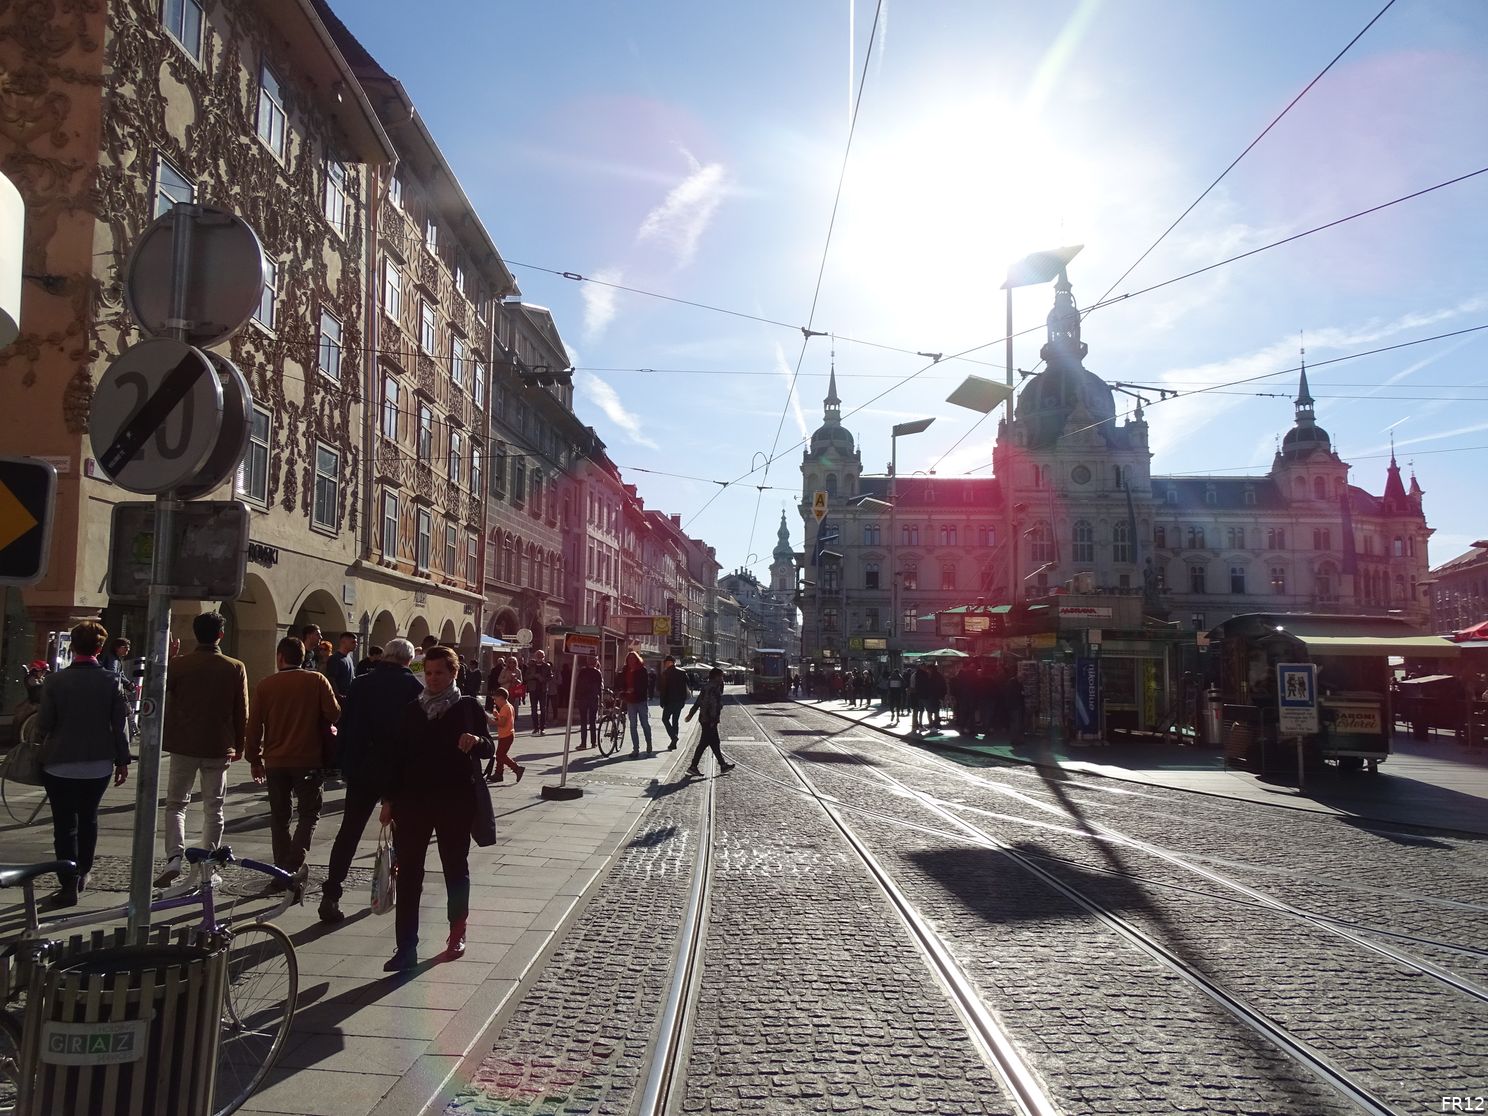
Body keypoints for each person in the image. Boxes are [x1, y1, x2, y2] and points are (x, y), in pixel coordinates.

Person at [379, 645, 494, 970]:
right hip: (412, 803)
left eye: (439, 673)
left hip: (455, 801)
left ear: (453, 673)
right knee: (409, 874)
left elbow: (489, 748)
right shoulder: (411, 710)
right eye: (427, 673)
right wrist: (388, 800)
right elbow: (396, 759)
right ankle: (406, 947)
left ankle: (457, 932)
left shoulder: (468, 707)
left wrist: (475, 740)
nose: (431, 679)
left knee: (454, 868)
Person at [320, 638, 423, 923]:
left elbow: (346, 725)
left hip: (362, 768)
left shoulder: (360, 684)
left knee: (349, 832)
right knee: (403, 834)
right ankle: (398, 889)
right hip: (397, 772)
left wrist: (345, 763)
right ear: (407, 660)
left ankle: (331, 894)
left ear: (385, 656)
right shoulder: (414, 688)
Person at [33, 621, 130, 907]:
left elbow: (44, 724)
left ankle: (68, 883)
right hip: (98, 763)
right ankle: (84, 871)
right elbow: (119, 725)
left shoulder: (54, 680)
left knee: (64, 825)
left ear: (73, 647)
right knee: (88, 819)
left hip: (59, 763)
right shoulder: (111, 680)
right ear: (100, 648)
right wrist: (123, 760)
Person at [155, 611, 249, 887]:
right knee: (214, 806)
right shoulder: (234, 666)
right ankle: (208, 863)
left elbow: (159, 693)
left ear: (196, 634)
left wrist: (170, 660)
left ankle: (174, 856)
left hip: (183, 743)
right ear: (220, 634)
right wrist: (240, 745)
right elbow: (241, 711)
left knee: (176, 803)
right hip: (218, 745)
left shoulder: (180, 665)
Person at [246, 636, 341, 879]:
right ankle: (293, 862)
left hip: (276, 760)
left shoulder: (266, 685)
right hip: (308, 759)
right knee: (309, 812)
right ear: (302, 657)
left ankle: (281, 867)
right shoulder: (316, 680)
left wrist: (255, 759)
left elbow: (254, 726)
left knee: (279, 817)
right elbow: (334, 713)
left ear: (280, 657)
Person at [684, 668, 733, 777]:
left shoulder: (706, 687)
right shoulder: (713, 688)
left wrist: (691, 714)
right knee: (704, 743)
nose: (722, 679)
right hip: (709, 720)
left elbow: (698, 702)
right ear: (716, 677)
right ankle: (693, 766)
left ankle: (722, 765)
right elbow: (710, 705)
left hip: (705, 719)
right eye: (721, 676)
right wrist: (712, 719)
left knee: (714, 743)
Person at [615, 651, 652, 756]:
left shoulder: (642, 670)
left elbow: (645, 685)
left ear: (637, 659)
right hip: (630, 701)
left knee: (644, 723)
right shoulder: (625, 670)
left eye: (633, 658)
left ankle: (649, 742)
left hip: (641, 700)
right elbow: (620, 682)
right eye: (629, 658)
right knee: (632, 725)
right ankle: (636, 749)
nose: (631, 660)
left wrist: (634, 689)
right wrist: (622, 690)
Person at [484, 687, 524, 783]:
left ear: (501, 698)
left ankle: (516, 768)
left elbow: (502, 723)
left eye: (496, 699)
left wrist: (490, 721)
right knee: (500, 754)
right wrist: (497, 716)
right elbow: (504, 720)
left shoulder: (505, 708)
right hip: (506, 734)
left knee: (500, 755)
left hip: (506, 735)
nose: (494, 701)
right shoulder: (508, 706)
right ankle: (498, 774)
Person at [657, 655, 690, 750]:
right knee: (675, 721)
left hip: (669, 701)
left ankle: (673, 737)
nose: (665, 664)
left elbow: (662, 689)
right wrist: (683, 698)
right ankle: (673, 743)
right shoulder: (683, 672)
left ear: (669, 663)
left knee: (665, 719)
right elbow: (688, 684)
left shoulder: (665, 673)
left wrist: (662, 701)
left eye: (666, 662)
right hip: (680, 701)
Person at [574, 657, 602, 748]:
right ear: (596, 662)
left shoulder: (582, 672)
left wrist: (576, 697)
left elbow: (578, 685)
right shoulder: (597, 672)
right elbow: (599, 688)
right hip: (593, 698)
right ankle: (593, 742)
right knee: (592, 721)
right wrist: (600, 700)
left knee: (583, 721)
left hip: (583, 698)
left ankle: (583, 743)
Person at [525, 650, 553, 735]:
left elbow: (550, 676)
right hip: (533, 689)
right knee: (533, 709)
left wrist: (543, 679)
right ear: (535, 656)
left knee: (543, 709)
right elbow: (526, 677)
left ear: (543, 657)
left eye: (541, 656)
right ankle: (535, 728)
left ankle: (542, 728)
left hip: (543, 690)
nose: (539, 658)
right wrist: (533, 676)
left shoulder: (546, 666)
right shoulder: (531, 666)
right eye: (538, 656)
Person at [324, 632, 358, 702]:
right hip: (339, 699)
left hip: (348, 698)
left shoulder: (349, 657)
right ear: (343, 642)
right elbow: (331, 678)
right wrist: (337, 695)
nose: (356, 644)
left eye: (356, 642)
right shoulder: (335, 659)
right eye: (353, 642)